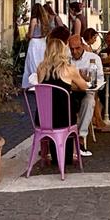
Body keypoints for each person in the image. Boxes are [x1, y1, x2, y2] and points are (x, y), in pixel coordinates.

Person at [32, 37, 91, 165]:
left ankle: (46, 154)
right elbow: (84, 86)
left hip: (43, 119)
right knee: (75, 105)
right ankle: (74, 153)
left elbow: (48, 86)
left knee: (56, 105)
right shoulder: (70, 69)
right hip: (64, 119)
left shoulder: (40, 68)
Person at [67, 35, 102, 156]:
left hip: (85, 92)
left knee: (89, 101)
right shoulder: (66, 58)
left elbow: (100, 82)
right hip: (69, 93)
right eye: (71, 49)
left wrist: (87, 78)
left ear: (82, 46)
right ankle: (62, 137)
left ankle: (80, 137)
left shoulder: (93, 58)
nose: (74, 51)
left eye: (77, 48)